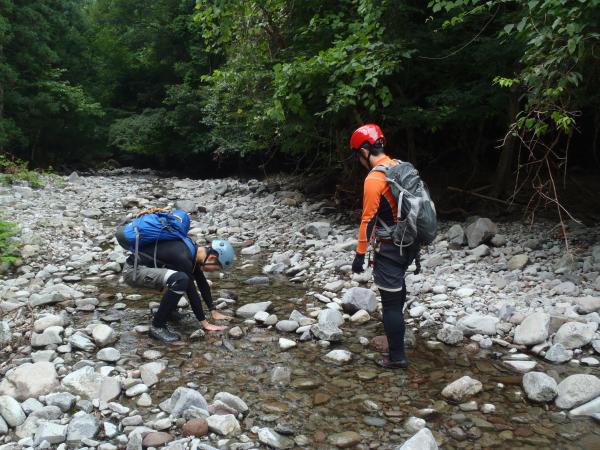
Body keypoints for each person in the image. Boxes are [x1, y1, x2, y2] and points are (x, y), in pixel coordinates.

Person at [349, 124, 418, 369]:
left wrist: (359, 255)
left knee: (389, 305)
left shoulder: (374, 179)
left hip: (389, 248)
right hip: (409, 244)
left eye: (358, 155)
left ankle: (397, 357)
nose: (359, 160)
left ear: (364, 151)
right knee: (397, 295)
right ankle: (398, 346)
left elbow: (367, 220)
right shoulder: (399, 166)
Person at [117, 226, 236, 343]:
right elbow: (191, 292)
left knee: (181, 278)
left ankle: (169, 313)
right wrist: (205, 323)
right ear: (212, 258)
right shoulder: (183, 256)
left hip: (144, 269)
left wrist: (213, 310)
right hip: (134, 272)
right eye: (216, 268)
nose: (214, 271)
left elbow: (202, 282)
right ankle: (157, 326)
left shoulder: (193, 250)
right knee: (181, 280)